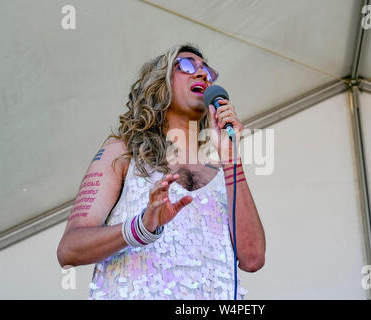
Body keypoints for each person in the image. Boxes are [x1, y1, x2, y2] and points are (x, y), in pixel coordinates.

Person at [57, 43, 266, 300]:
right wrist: (141, 227)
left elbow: (253, 258)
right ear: (160, 83)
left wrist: (231, 160)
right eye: (187, 65)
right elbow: (69, 249)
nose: (202, 74)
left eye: (207, 71)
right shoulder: (123, 154)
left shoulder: (225, 173)